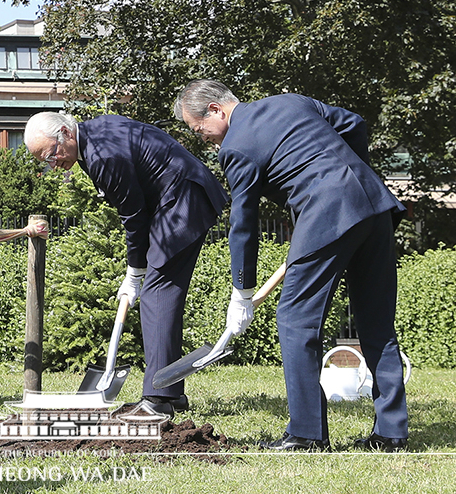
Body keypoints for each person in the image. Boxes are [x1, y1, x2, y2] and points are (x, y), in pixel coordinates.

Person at [175, 79, 408, 452]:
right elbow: (354, 124)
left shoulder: (235, 148)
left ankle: (307, 433)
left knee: (296, 321)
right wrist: (353, 174)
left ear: (216, 110)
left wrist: (242, 292)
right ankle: (392, 433)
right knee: (376, 323)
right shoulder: (291, 102)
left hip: (328, 214)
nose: (206, 140)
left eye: (201, 131)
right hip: (374, 206)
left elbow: (243, 222)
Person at [24, 110, 228, 416]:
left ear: (66, 132)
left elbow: (133, 216)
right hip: (177, 198)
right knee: (163, 292)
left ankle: (158, 400)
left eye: (52, 154)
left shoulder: (103, 155)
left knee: (157, 293)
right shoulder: (95, 135)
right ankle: (170, 394)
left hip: (183, 199)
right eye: (45, 161)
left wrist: (134, 273)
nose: (54, 165)